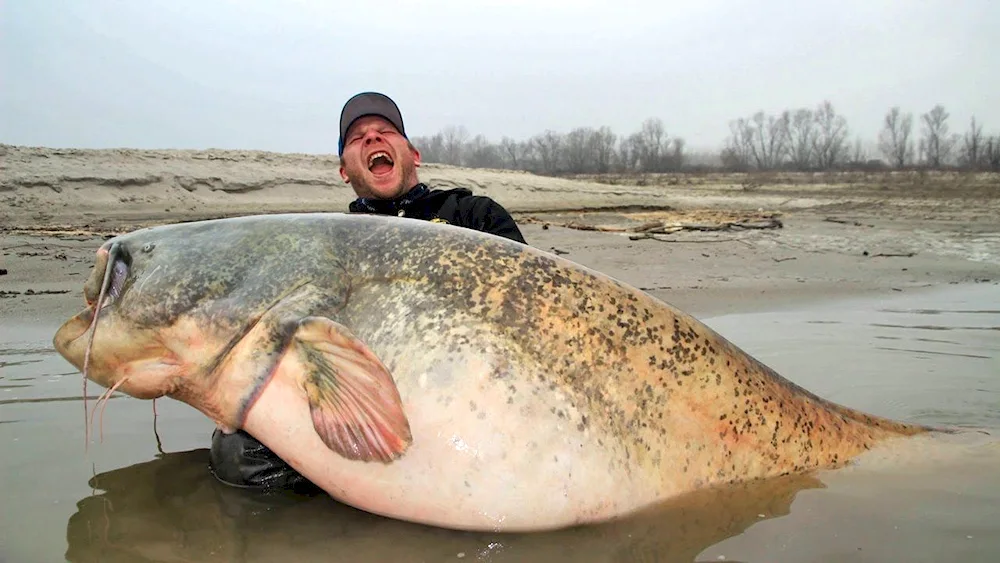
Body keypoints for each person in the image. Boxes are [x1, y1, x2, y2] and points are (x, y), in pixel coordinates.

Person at [208, 91, 526, 491]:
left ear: (413, 153)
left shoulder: (474, 214)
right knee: (236, 454)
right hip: (362, 398)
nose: (373, 139)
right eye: (357, 138)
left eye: (385, 131)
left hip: (473, 389)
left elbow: (527, 303)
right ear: (344, 170)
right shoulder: (326, 246)